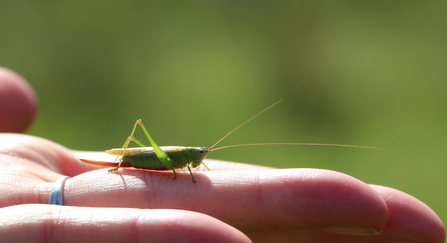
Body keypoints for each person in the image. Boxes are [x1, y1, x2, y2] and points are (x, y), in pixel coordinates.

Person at [0, 67, 444, 243]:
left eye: (200, 158)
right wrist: (140, 163)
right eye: (200, 157)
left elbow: (190, 164)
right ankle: (125, 156)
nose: (201, 161)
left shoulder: (194, 160)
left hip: (153, 161)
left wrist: (190, 167)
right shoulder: (184, 162)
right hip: (146, 158)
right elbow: (179, 164)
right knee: (142, 141)